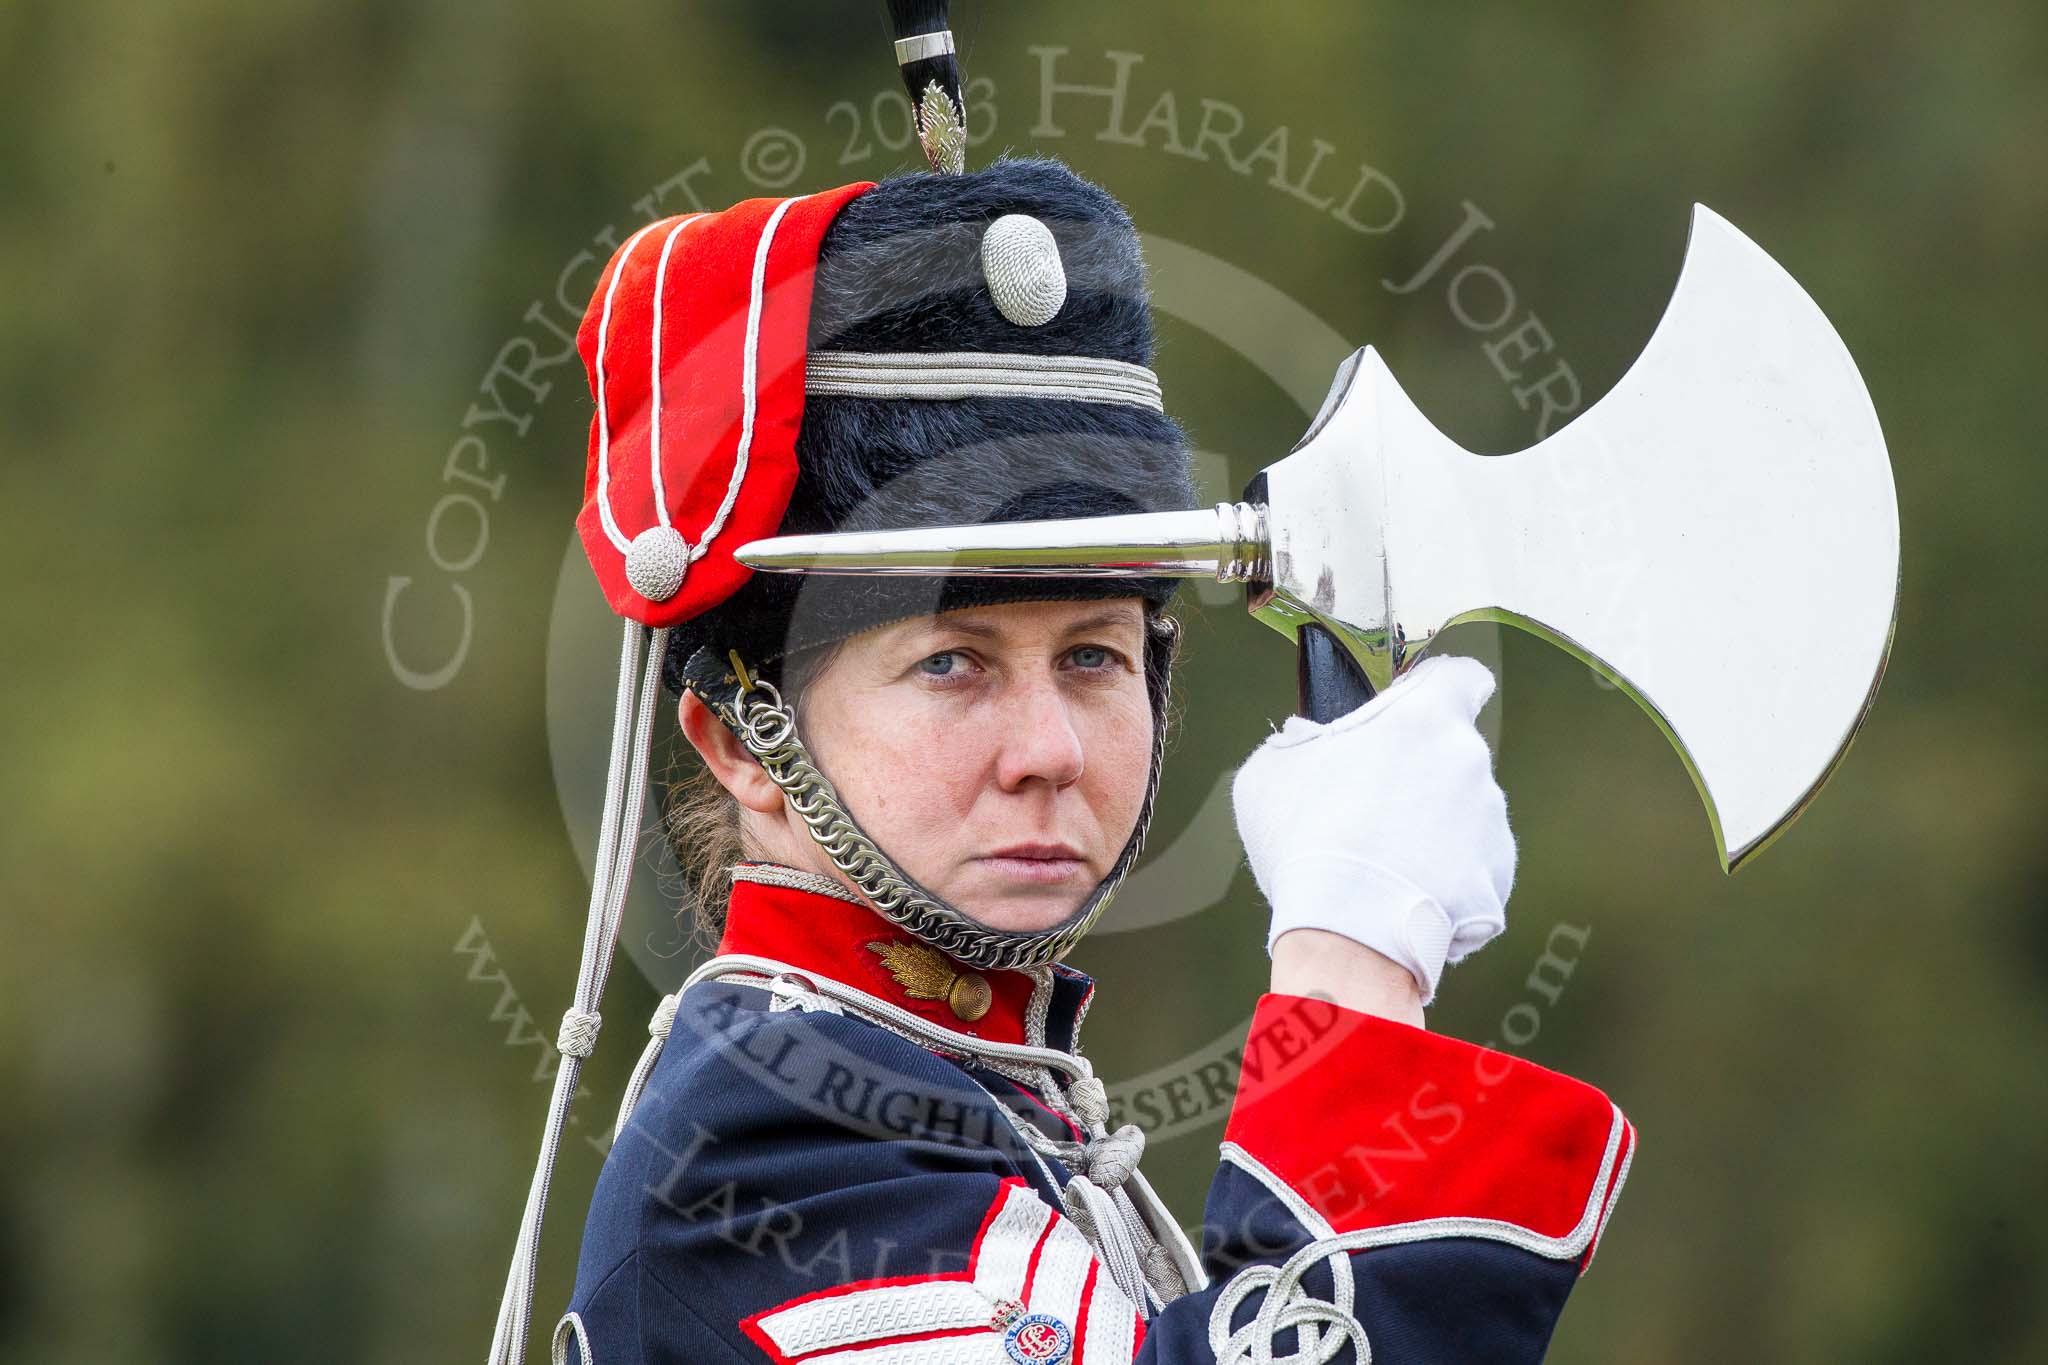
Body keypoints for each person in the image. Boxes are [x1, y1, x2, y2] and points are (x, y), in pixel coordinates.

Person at [486, 11, 1632, 1362]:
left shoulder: (978, 1099)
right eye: (953, 662)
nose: (1049, 748)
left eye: (1093, 653)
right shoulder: (765, 1146)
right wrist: (1349, 970)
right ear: (742, 737)